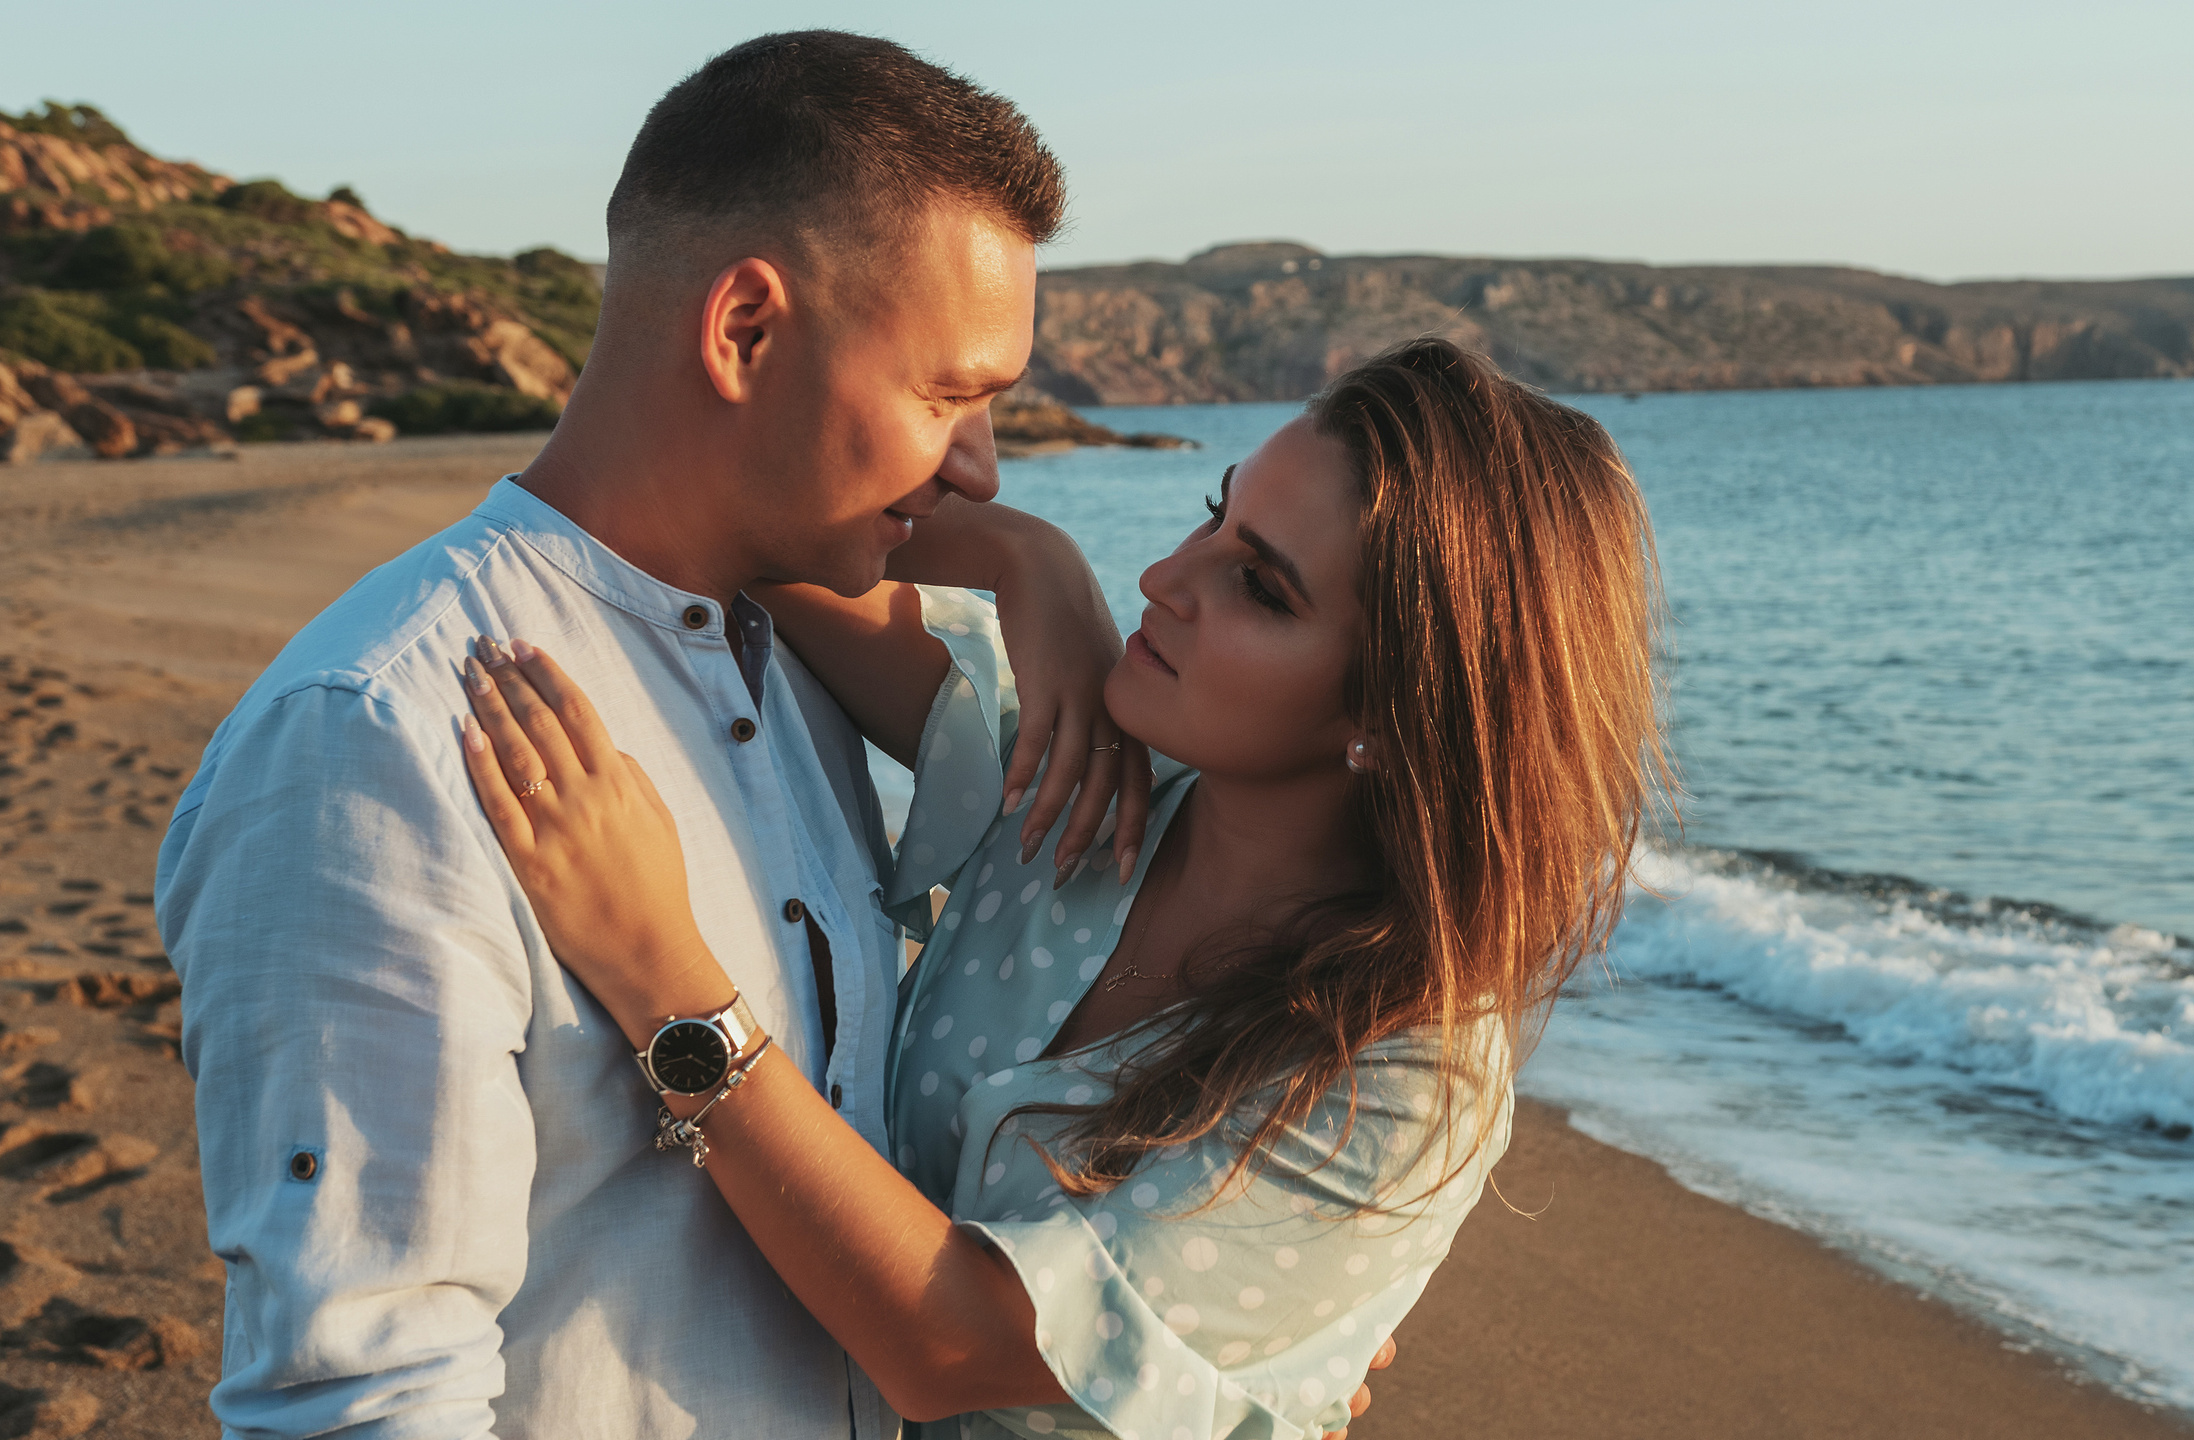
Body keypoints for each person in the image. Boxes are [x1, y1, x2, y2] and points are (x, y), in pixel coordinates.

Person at [158, 32, 1152, 1438]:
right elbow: (362, 1394)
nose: (979, 463)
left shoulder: (784, 651)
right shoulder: (380, 738)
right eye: (948, 397)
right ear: (745, 330)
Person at [450, 338, 1669, 1439]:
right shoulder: (1080, 777)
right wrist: (1028, 555)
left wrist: (657, 969)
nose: (1166, 576)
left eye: (1261, 585)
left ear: (1398, 717)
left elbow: (948, 1346)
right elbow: (732, 508)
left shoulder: (1405, 1075)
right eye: (1212, 515)